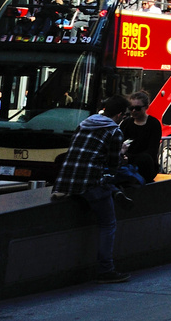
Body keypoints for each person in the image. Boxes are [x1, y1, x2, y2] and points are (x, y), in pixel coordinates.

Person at [51, 93, 132, 283]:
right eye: (125, 115)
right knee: (108, 224)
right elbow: (113, 164)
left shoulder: (85, 123)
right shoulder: (114, 131)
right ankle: (106, 269)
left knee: (102, 189)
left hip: (66, 180)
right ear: (120, 115)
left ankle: (115, 192)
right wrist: (122, 154)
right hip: (90, 181)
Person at [117, 90, 162, 186]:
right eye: (131, 108)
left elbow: (152, 150)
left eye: (137, 108)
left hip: (145, 165)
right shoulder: (126, 123)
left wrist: (130, 158)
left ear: (146, 107)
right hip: (126, 163)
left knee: (145, 158)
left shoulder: (154, 124)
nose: (133, 111)